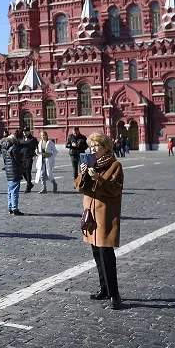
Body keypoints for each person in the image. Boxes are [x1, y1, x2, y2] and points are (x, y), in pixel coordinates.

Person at [75, 132, 124, 310]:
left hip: (105, 215)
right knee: (96, 253)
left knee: (106, 255)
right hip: (91, 215)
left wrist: (98, 179)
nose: (94, 149)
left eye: (97, 145)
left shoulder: (114, 166)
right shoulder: (90, 164)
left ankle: (115, 295)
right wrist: (83, 175)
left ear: (106, 147)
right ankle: (104, 289)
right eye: (92, 146)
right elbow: (79, 187)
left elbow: (115, 190)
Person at [1, 132, 24, 215]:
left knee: (10, 189)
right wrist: (22, 165)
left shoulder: (4, 148)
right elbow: (18, 159)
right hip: (14, 170)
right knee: (14, 190)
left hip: (8, 170)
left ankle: (10, 207)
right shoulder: (14, 147)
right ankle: (15, 208)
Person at [18, 127, 37, 193]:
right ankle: (30, 184)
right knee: (23, 172)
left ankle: (28, 187)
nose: (24, 133)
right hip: (22, 157)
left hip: (29, 157)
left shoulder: (33, 139)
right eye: (23, 131)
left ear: (29, 132)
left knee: (28, 171)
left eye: (26, 131)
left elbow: (37, 147)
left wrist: (35, 154)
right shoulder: (21, 139)